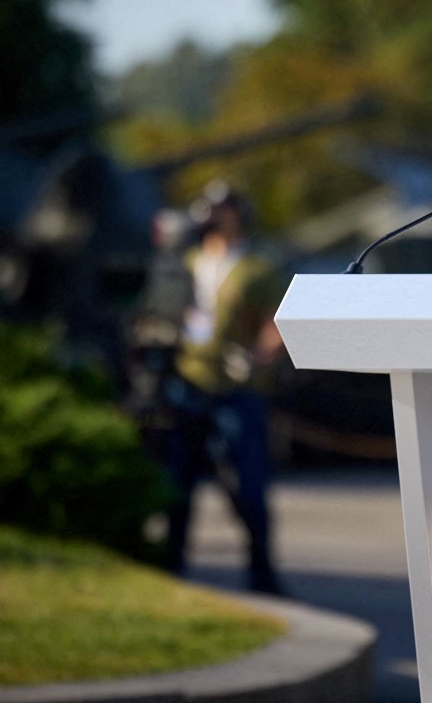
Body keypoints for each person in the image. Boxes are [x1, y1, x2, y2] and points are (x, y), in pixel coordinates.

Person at [165, 181, 287, 595]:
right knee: (177, 483)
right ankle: (171, 566)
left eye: (223, 208)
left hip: (237, 388)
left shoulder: (256, 267)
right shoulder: (190, 260)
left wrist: (261, 355)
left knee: (247, 487)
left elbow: (276, 320)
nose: (214, 216)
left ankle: (262, 574)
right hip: (189, 381)